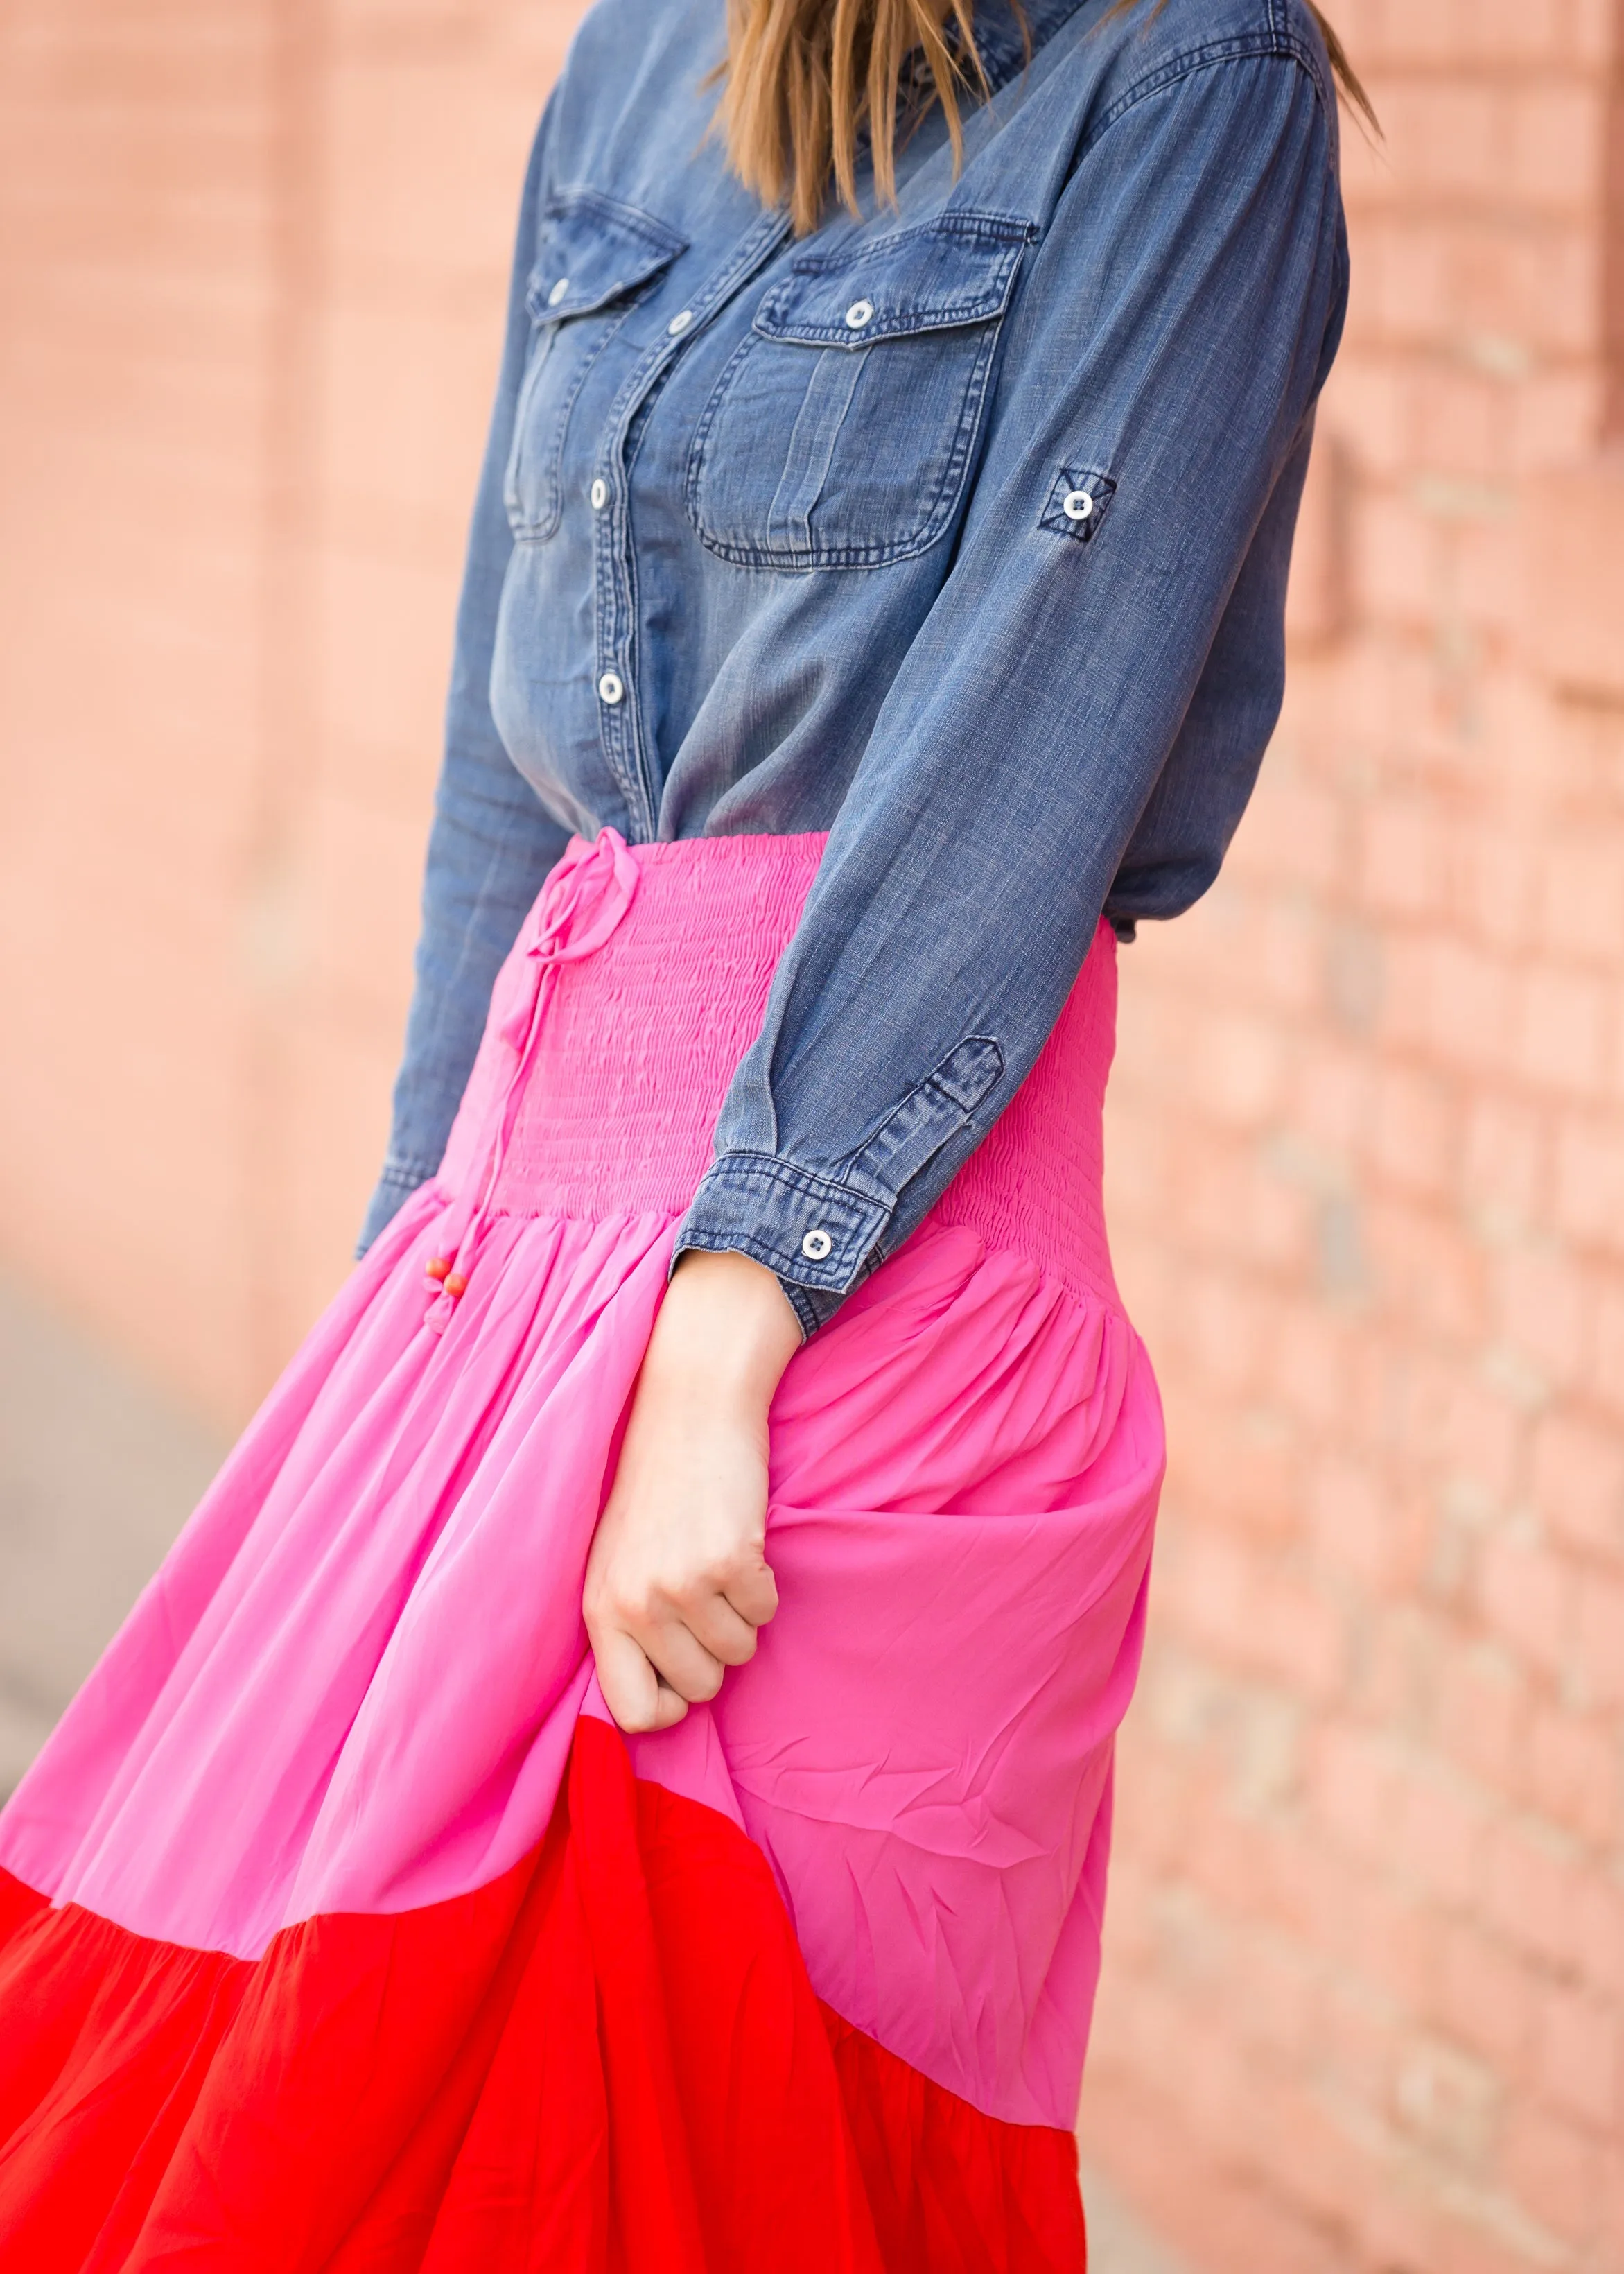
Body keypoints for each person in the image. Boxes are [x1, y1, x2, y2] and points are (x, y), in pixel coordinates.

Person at [0, 0, 1364, 2262]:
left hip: (869, 1282)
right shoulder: (642, 56)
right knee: (292, 2108)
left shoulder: (1186, 79)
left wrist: (725, 1336)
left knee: (668, 2142)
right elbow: (493, 751)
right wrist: (400, 1282)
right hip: (504, 1253)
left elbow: (1035, 722)